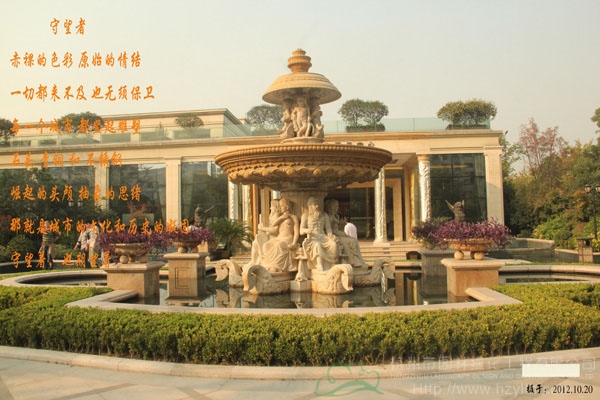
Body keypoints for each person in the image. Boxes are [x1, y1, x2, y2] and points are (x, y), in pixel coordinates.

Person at [325, 199, 367, 269]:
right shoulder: (329, 216)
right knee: (350, 241)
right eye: (336, 206)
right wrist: (341, 234)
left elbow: (337, 228)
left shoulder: (336, 216)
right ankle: (353, 261)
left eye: (337, 206)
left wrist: (341, 224)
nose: (337, 208)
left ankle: (358, 259)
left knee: (354, 240)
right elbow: (331, 230)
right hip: (334, 235)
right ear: (331, 206)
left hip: (338, 233)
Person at [260, 198, 299, 271]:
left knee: (279, 245)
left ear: (287, 207)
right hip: (279, 238)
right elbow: (273, 224)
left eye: (281, 206)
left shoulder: (293, 217)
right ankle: (268, 266)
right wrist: (281, 218)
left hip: (287, 239)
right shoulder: (280, 217)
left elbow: (296, 232)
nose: (280, 208)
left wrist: (294, 243)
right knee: (266, 245)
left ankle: (276, 267)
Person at [300, 197, 339, 270]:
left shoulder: (324, 215)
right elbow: (301, 230)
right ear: (310, 206)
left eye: (318, 204)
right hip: (312, 238)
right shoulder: (305, 215)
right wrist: (307, 230)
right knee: (317, 245)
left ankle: (332, 263)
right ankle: (319, 264)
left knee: (333, 244)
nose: (317, 206)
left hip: (323, 236)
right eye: (315, 204)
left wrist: (330, 234)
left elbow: (328, 228)